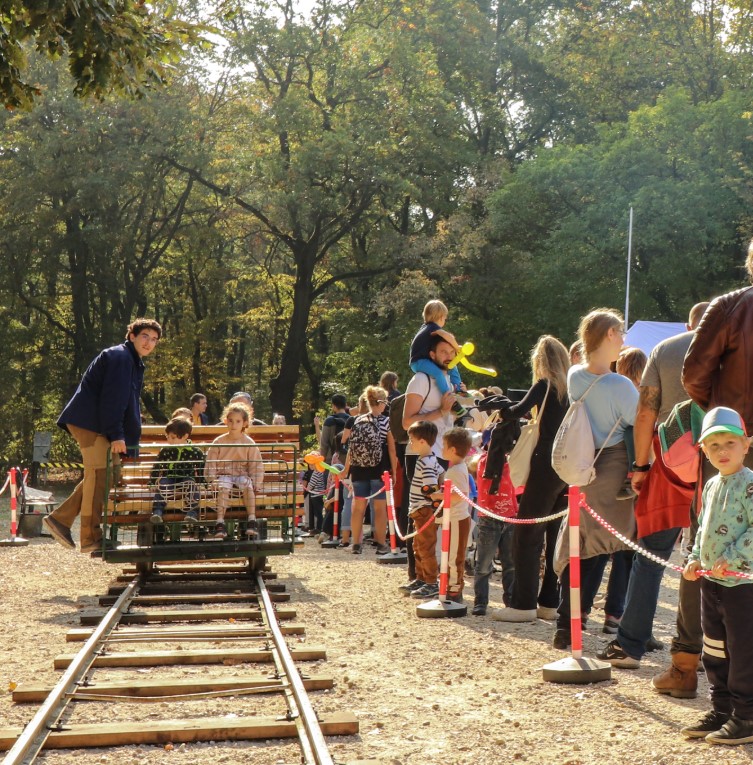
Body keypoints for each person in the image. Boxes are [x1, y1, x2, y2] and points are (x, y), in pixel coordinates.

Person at [596, 303, 708, 675]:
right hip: (726, 462)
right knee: (712, 556)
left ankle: (629, 644)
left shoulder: (667, 348)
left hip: (670, 462)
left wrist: (640, 466)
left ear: (690, 323)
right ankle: (710, 649)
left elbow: (646, 413)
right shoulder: (735, 346)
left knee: (651, 554)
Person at [552, 308, 639, 649]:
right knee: (611, 549)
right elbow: (639, 424)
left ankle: (568, 621)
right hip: (614, 467)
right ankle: (613, 623)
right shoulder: (620, 385)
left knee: (582, 546)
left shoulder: (575, 375)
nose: (623, 341)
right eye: (620, 333)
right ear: (608, 335)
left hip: (583, 465)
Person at [43, 318, 162, 555]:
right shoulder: (121, 358)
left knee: (108, 474)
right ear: (132, 336)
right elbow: (113, 400)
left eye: (154, 339)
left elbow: (127, 404)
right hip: (91, 425)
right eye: (145, 336)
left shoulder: (132, 361)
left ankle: (60, 519)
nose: (149, 342)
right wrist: (117, 434)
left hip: (99, 425)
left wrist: (126, 439)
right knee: (99, 476)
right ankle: (90, 538)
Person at [680, 407, 753, 745]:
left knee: (743, 651)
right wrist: (695, 559)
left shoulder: (750, 484)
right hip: (711, 584)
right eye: (714, 445)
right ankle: (721, 709)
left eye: (730, 443)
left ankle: (746, 715)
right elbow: (703, 530)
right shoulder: (710, 485)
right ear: (704, 450)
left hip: (742, 585)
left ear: (746, 445)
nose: (722, 451)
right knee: (715, 648)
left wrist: (732, 557)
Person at [494, 335, 570, 622]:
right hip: (566, 468)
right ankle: (549, 601)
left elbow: (515, 411)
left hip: (544, 465)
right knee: (553, 534)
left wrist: (497, 406)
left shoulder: (544, 386)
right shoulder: (571, 389)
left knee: (526, 533)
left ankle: (523, 603)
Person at [402, 335, 456, 578]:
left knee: (437, 518)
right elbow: (406, 422)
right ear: (432, 355)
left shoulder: (448, 379)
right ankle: (417, 575)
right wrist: (440, 411)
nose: (448, 355)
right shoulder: (421, 379)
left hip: (443, 454)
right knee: (418, 515)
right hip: (420, 453)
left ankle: (433, 577)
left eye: (451, 352)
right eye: (443, 351)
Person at [341, 385, 397, 555]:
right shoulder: (386, 422)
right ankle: (380, 543)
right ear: (380, 402)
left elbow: (351, 449)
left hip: (358, 470)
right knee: (379, 508)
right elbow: (391, 449)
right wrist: (393, 471)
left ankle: (356, 544)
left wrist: (346, 469)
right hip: (378, 470)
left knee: (358, 507)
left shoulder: (358, 420)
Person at [205, 402, 265, 539]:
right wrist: (212, 479)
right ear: (225, 421)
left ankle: (252, 520)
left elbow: (256, 464)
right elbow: (211, 462)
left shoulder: (248, 442)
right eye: (230, 421)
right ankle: (220, 522)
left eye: (238, 421)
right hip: (223, 474)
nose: (233, 424)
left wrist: (257, 481)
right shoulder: (219, 441)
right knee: (223, 488)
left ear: (244, 423)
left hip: (241, 474)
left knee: (247, 486)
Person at [400, 420, 444, 599]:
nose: (410, 443)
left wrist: (436, 499)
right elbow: (441, 472)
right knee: (418, 546)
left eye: (412, 440)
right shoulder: (430, 458)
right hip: (419, 510)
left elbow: (430, 488)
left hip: (424, 511)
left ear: (422, 442)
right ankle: (421, 577)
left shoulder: (425, 462)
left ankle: (431, 582)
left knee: (425, 548)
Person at [474, 447, 518, 616]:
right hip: (488, 517)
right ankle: (481, 601)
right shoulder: (484, 461)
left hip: (510, 517)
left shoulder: (514, 460)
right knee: (484, 564)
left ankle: (511, 600)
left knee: (510, 563)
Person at [409, 299, 466, 417]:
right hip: (419, 362)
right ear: (440, 317)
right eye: (445, 318)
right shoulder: (432, 328)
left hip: (425, 360)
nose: (444, 321)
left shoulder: (427, 328)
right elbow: (446, 336)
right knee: (438, 374)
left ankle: (458, 388)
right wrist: (457, 348)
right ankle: (452, 401)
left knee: (453, 366)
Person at [149, 417, 205, 524]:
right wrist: (152, 482)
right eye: (168, 437)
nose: (169, 440)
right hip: (170, 477)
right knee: (162, 486)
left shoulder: (195, 451)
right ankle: (157, 511)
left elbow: (201, 467)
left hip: (186, 477)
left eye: (173, 437)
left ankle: (192, 513)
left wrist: (202, 483)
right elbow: (157, 466)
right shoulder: (166, 451)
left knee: (192, 487)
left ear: (185, 436)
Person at [441, 427, 473, 603]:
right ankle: (449, 585)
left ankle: (454, 590)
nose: (442, 449)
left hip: (457, 517)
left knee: (454, 555)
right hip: (454, 517)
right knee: (450, 553)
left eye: (444, 445)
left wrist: (439, 496)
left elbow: (459, 494)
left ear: (453, 450)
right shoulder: (458, 467)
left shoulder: (455, 470)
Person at [319, 394, 350, 463]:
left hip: (331, 460)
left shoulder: (329, 421)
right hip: (347, 460)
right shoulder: (351, 420)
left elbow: (324, 443)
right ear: (345, 405)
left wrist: (322, 459)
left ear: (334, 406)